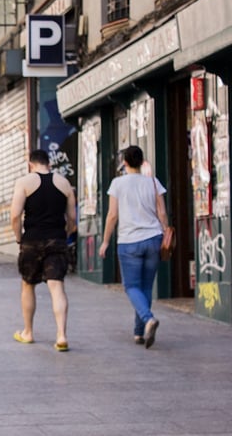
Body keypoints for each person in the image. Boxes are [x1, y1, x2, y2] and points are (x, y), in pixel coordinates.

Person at [98, 145, 169, 349]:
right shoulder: (153, 182)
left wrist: (105, 241)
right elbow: (162, 212)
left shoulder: (117, 184)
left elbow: (112, 215)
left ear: (125, 162)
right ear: (141, 161)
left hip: (129, 242)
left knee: (131, 286)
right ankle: (139, 333)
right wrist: (165, 232)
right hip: (153, 239)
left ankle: (148, 319)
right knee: (145, 287)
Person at [10, 149, 77, 351]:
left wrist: (19, 237)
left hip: (32, 240)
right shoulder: (64, 183)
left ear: (31, 164)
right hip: (56, 240)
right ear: (49, 163)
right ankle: (61, 336)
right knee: (57, 288)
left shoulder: (24, 182)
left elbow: (15, 215)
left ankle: (28, 332)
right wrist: (65, 235)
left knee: (28, 285)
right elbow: (72, 218)